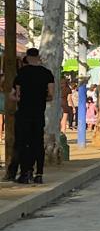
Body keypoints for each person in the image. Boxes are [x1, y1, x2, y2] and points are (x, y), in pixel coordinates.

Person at [9, 47, 55, 184]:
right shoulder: (47, 73)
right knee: (38, 142)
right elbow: (51, 95)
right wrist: (41, 98)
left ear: (27, 58)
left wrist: (19, 98)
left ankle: (25, 173)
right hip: (38, 113)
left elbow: (15, 95)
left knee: (23, 143)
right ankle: (39, 173)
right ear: (38, 57)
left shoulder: (21, 73)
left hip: (24, 112)